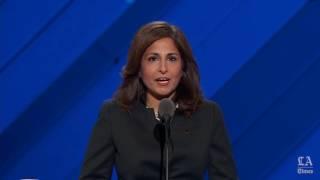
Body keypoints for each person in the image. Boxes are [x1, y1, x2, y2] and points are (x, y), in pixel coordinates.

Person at [80, 21, 237, 179]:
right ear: (139, 68)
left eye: (172, 59)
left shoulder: (208, 114)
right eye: (153, 59)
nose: (163, 68)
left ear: (183, 67)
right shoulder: (114, 114)